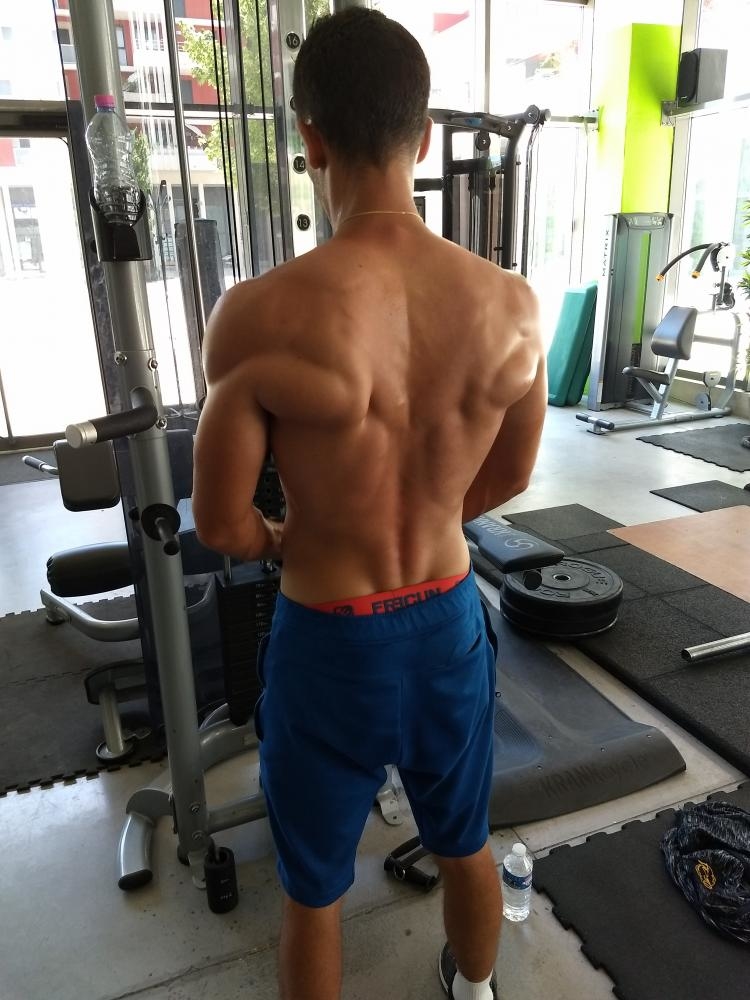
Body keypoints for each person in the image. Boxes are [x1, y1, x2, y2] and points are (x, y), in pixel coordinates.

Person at [192, 9, 546, 1000]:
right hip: (445, 622)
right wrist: (430, 514)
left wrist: (285, 538)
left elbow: (219, 523)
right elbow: (512, 476)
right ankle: (474, 990)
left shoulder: (256, 315)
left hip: (328, 636)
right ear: (424, 138)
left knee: (314, 892)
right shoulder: (511, 305)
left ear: (311, 140)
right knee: (465, 841)